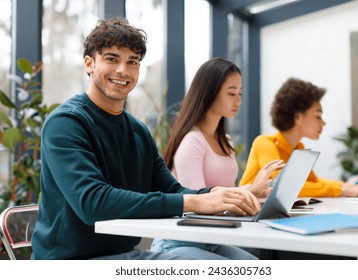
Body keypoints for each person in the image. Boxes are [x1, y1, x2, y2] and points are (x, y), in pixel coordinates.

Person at [31, 17, 262, 260]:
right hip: (70, 262)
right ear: (89, 64)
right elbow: (92, 203)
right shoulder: (66, 123)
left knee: (251, 264)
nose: (123, 70)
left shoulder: (138, 131)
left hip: (122, 253)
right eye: (112, 59)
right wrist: (193, 202)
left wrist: (215, 195)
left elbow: (172, 189)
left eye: (132, 62)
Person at [151, 58, 283, 259]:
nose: (238, 100)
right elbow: (198, 202)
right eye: (231, 93)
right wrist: (250, 191)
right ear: (209, 92)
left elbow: (224, 194)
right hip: (178, 242)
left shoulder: (225, 141)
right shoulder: (192, 141)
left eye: (240, 93)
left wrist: (256, 194)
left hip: (211, 241)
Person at [239, 77, 358, 197]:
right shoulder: (264, 143)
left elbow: (312, 183)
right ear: (298, 116)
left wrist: (346, 185)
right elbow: (284, 186)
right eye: (318, 116)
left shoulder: (298, 148)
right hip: (247, 218)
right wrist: (343, 189)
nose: (323, 122)